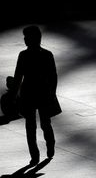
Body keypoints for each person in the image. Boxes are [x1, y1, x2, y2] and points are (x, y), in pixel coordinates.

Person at [13, 25, 61, 164]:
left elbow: (18, 76)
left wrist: (14, 94)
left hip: (28, 93)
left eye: (27, 37)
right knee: (45, 123)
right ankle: (50, 145)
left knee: (30, 126)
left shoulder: (23, 55)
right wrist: (52, 92)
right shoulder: (47, 55)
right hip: (44, 93)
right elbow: (53, 76)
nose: (25, 40)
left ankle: (34, 156)